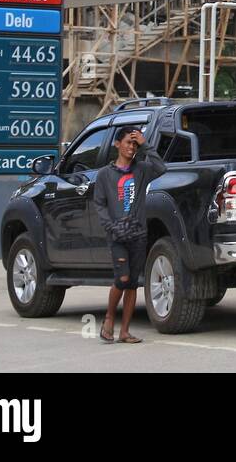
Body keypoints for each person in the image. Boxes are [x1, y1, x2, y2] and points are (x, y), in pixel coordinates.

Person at [92, 126, 167, 343]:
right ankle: (109, 317)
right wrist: (112, 227)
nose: (131, 147)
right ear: (117, 144)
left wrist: (146, 145)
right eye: (128, 142)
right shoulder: (105, 174)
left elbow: (161, 168)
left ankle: (124, 332)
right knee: (122, 278)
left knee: (133, 282)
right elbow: (99, 204)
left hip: (138, 234)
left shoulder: (141, 169)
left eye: (134, 144)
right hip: (117, 236)